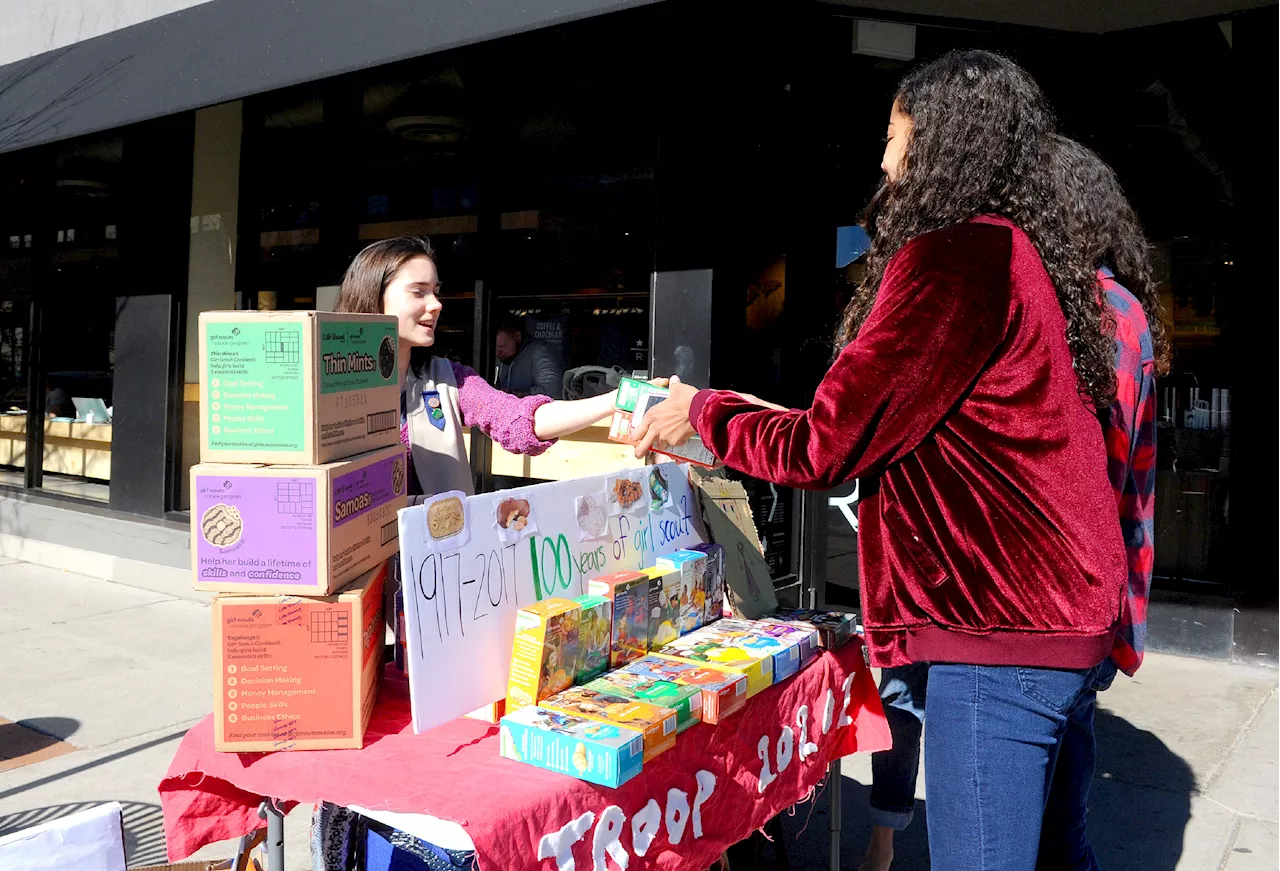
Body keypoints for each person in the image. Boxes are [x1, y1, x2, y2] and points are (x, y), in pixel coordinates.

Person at [632, 50, 1127, 869]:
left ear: (940, 143)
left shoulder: (955, 257)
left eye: (894, 134)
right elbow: (890, 423)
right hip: (1057, 620)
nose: (884, 160)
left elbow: (828, 445)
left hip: (1000, 630)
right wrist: (748, 414)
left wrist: (703, 412)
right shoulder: (1013, 251)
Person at [1035, 133, 1167, 870]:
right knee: (1062, 824)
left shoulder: (1081, 312)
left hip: (1053, 606)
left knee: (1045, 832)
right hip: (1097, 600)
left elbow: (1086, 476)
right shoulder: (1124, 312)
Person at [334, 236, 623, 501]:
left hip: (435, 553)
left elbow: (520, 418)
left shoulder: (448, 379)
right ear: (374, 297)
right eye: (419, 292)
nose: (436, 305)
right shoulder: (328, 388)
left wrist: (618, 400)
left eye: (435, 292)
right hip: (356, 554)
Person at [495, 316, 565, 399]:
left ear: (518, 337)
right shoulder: (504, 357)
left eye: (502, 346)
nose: (498, 352)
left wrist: (521, 394)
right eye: (495, 347)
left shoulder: (540, 351)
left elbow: (553, 391)